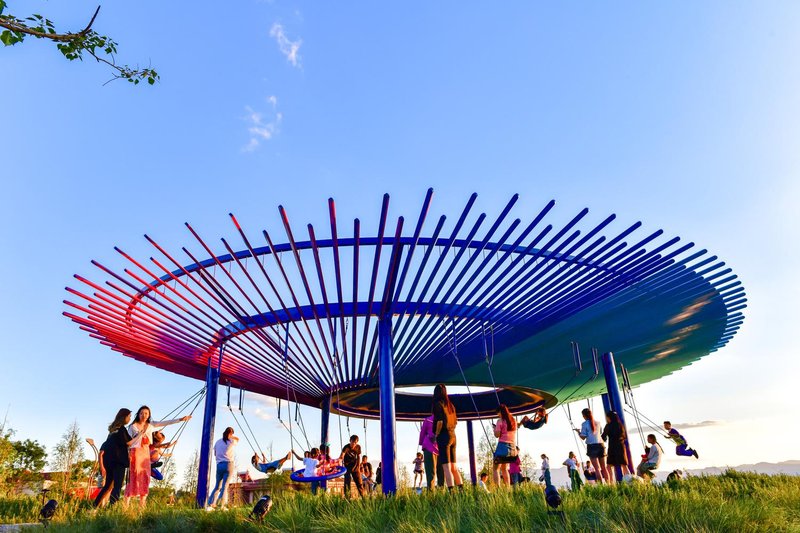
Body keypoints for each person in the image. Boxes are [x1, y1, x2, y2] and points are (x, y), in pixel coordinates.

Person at [125, 406, 189, 509]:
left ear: (149, 415)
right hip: (135, 453)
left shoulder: (151, 425)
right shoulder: (133, 426)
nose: (144, 415)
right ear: (138, 414)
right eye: (141, 413)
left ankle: (142, 506)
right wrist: (128, 454)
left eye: (146, 413)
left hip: (145, 453)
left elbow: (166, 423)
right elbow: (127, 442)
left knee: (145, 476)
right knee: (133, 476)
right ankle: (126, 506)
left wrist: (180, 419)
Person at [94, 408, 144, 508]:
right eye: (129, 416)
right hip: (118, 462)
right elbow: (129, 443)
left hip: (109, 462)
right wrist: (139, 435)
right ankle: (112, 508)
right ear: (124, 417)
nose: (129, 419)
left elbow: (105, 448)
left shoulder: (112, 431)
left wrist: (102, 465)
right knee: (117, 485)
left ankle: (94, 507)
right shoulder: (121, 429)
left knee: (108, 486)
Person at [432, 384, 463, 490]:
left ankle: (452, 493)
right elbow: (456, 421)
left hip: (443, 436)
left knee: (446, 467)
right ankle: (461, 491)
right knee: (454, 467)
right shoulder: (451, 405)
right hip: (453, 435)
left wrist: (436, 434)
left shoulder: (437, 404)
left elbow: (440, 422)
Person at [206, 427, 239, 510]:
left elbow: (215, 453)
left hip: (219, 465)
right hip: (228, 464)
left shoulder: (218, 442)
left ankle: (210, 504)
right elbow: (238, 439)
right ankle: (220, 505)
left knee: (217, 486)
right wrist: (231, 436)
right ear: (230, 434)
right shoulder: (231, 441)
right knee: (225, 486)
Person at [576, 408, 610, 484]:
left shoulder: (584, 424)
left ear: (584, 415)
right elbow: (599, 433)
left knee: (597, 469)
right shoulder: (598, 423)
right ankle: (609, 484)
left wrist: (578, 432)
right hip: (601, 445)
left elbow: (583, 437)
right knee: (604, 468)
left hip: (592, 446)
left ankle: (601, 486)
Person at [492, 404, 517, 487]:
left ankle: (498, 489)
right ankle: (508, 488)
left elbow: (497, 435)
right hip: (512, 448)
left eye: (498, 413)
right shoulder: (513, 420)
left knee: (495, 469)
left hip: (502, 447)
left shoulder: (500, 421)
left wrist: (494, 429)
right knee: (504, 469)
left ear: (500, 412)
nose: (498, 415)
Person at [601, 411, 631, 481]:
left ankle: (611, 483)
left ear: (609, 417)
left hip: (612, 448)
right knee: (624, 465)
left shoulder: (608, 426)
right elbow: (624, 436)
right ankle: (630, 481)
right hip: (621, 447)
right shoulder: (620, 425)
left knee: (609, 466)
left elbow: (603, 437)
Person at [418, 413, 444, 489]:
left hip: (429, 447)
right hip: (442, 447)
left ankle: (431, 493)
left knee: (430, 473)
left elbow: (422, 433)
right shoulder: (445, 419)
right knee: (442, 473)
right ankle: (442, 492)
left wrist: (421, 442)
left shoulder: (427, 420)